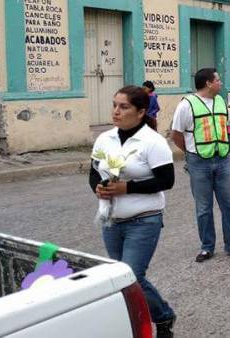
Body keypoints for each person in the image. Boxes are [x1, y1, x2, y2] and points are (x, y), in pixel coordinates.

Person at [90, 85, 176, 337]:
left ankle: (163, 316)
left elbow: (166, 181)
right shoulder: (105, 138)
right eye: (115, 105)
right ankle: (133, 321)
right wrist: (98, 188)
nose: (116, 111)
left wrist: (127, 188)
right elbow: (94, 171)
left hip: (144, 220)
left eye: (124, 106)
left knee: (132, 277)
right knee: (121, 278)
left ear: (140, 112)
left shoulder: (153, 142)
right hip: (111, 220)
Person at [171, 68, 230, 262]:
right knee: (204, 208)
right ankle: (207, 247)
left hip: (223, 160)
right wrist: (191, 152)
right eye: (218, 80)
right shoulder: (187, 105)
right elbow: (176, 134)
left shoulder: (220, 101)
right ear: (208, 83)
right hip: (198, 162)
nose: (221, 83)